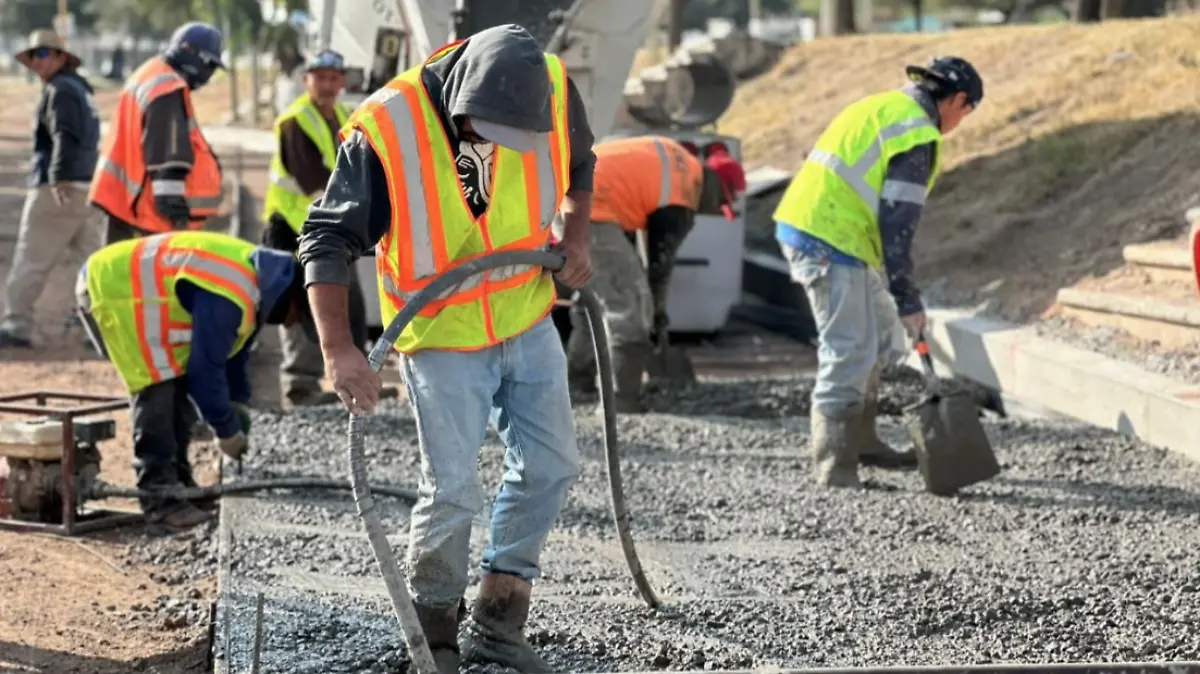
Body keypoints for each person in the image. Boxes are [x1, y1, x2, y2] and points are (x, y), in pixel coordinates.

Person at [297, 24, 595, 673]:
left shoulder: (550, 88)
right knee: (454, 488)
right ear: (463, 95)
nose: (498, 147)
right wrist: (338, 350)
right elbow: (325, 239)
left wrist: (575, 236)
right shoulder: (388, 128)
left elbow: (580, 168)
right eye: (486, 132)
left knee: (551, 465)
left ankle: (499, 618)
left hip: (526, 314)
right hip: (441, 335)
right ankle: (433, 636)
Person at [773, 56, 983, 487]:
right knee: (848, 349)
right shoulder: (917, 134)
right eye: (967, 111)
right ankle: (835, 466)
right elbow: (897, 224)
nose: (961, 121)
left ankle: (862, 441)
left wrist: (899, 301)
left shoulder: (883, 107)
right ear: (958, 99)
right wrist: (907, 297)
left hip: (832, 230)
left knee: (881, 335)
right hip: (828, 238)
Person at [75, 231, 315, 533]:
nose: (292, 322)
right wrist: (226, 429)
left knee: (174, 382)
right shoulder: (232, 292)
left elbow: (233, 357)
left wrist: (237, 405)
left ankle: (180, 486)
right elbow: (205, 374)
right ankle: (160, 499)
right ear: (289, 297)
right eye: (297, 314)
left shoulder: (257, 280)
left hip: (133, 292)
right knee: (158, 385)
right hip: (113, 289)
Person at [564, 135, 745, 412]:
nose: (712, 211)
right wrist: (656, 315)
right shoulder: (683, 195)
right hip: (591, 209)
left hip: (571, 197)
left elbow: (634, 220)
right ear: (717, 188)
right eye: (719, 203)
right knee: (631, 305)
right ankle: (622, 402)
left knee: (595, 300)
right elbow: (660, 267)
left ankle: (576, 383)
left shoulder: (677, 161)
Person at [261, 49, 367, 407]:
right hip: (293, 228)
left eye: (333, 78)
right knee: (300, 303)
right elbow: (315, 181)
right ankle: (300, 385)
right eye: (319, 78)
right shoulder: (295, 121)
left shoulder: (344, 116)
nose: (327, 85)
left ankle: (357, 381)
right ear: (306, 80)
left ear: (342, 82)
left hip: (330, 226)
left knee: (348, 300)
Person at [0, 29, 102, 349]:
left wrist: (57, 176)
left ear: (61, 57)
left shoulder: (60, 90)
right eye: (33, 55)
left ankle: (17, 324)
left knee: (32, 258)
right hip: (87, 185)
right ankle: (100, 327)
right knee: (91, 262)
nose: (37, 61)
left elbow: (64, 135)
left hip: (58, 187)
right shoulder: (80, 89)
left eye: (43, 54)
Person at [88, 22, 226, 245]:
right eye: (208, 64)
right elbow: (167, 152)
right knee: (145, 267)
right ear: (189, 52)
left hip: (125, 201)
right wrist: (172, 205)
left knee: (118, 265)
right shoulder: (167, 88)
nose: (209, 74)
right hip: (147, 212)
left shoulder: (150, 74)